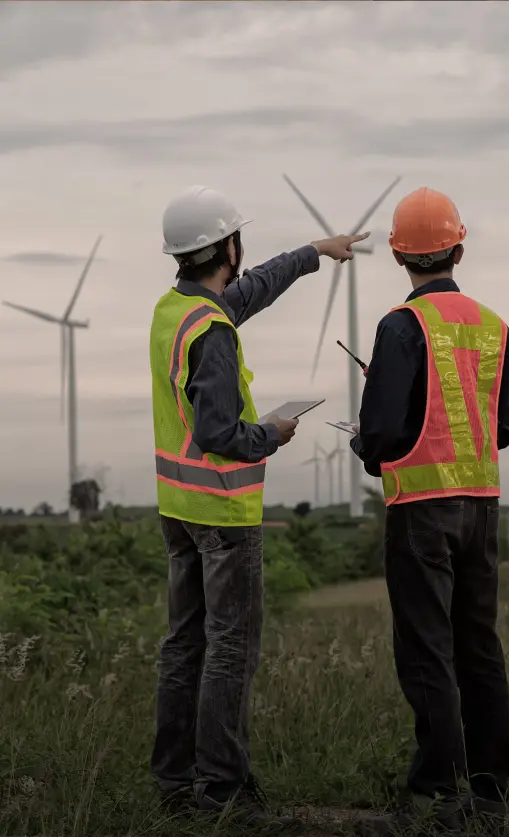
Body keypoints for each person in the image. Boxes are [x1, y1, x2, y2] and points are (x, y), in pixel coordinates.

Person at [148, 185, 368, 826]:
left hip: (177, 510)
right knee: (229, 651)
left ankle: (174, 784)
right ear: (228, 247)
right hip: (221, 516)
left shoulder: (176, 310)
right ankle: (224, 792)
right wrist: (272, 430)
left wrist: (312, 254)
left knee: (183, 646)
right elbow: (221, 434)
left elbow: (247, 293)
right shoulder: (212, 335)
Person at [349, 187, 509, 836]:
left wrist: (366, 447)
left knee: (426, 650)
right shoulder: (493, 326)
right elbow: (507, 419)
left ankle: (435, 788)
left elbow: (380, 433)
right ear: (458, 247)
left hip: (420, 512)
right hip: (481, 508)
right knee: (477, 646)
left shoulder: (400, 327)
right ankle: (489, 787)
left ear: (398, 255)